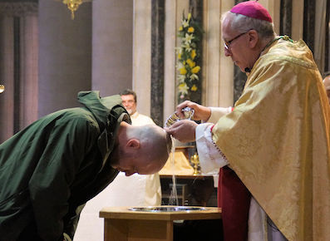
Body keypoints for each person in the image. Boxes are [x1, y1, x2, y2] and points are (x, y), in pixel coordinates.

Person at [166, 1, 330, 241]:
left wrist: (198, 132)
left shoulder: (278, 64)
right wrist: (208, 114)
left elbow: (250, 130)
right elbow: (260, 119)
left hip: (278, 195)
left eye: (228, 42)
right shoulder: (284, 57)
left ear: (251, 37)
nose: (226, 51)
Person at [0, 91, 171, 241]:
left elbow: (73, 203)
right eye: (134, 167)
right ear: (133, 144)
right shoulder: (81, 125)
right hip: (9, 210)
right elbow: (46, 188)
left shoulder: (110, 156)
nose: (128, 174)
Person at [120, 89, 162, 206]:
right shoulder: (116, 122)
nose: (127, 104)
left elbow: (156, 145)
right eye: (124, 102)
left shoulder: (146, 121)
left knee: (144, 200)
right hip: (122, 171)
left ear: (135, 103)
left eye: (130, 101)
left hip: (142, 169)